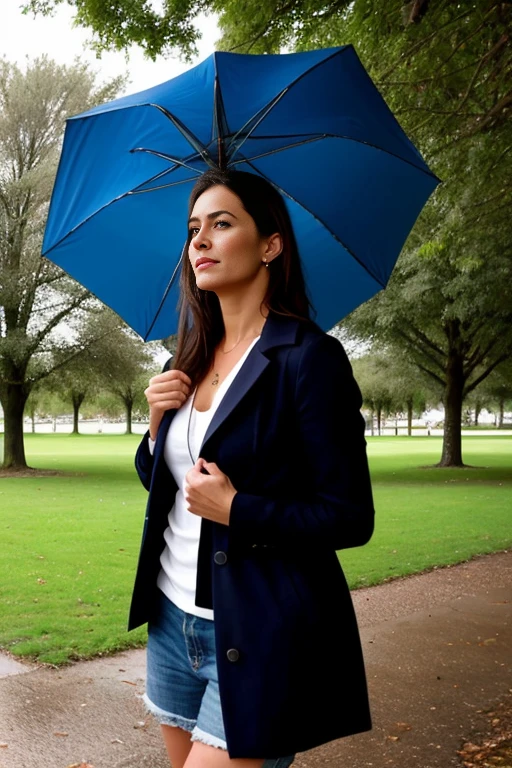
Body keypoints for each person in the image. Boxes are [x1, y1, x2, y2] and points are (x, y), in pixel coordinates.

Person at [130, 168, 375, 768]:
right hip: (170, 620)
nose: (200, 241)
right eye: (194, 229)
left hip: (260, 629)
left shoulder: (308, 358)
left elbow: (349, 517)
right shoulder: (184, 355)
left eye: (222, 223)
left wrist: (237, 509)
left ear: (271, 245)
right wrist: (156, 428)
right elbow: (170, 481)